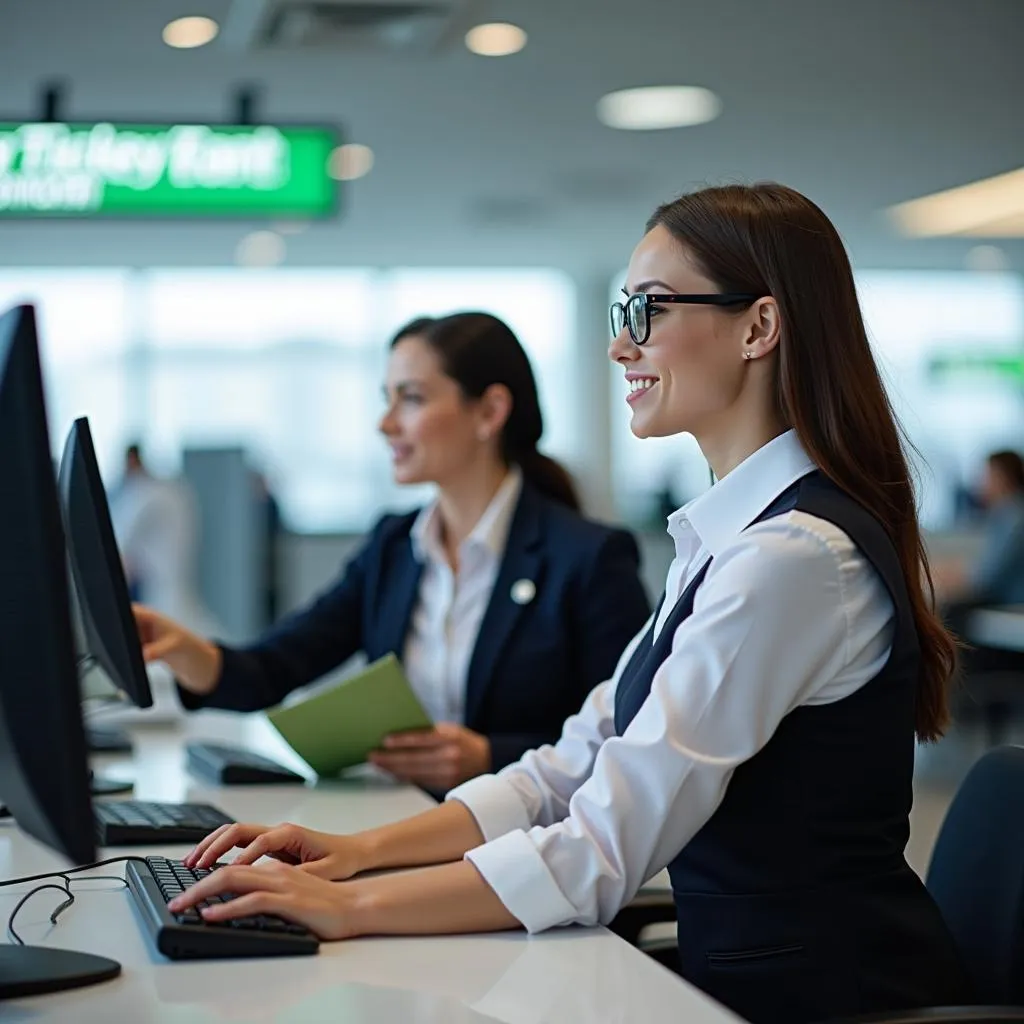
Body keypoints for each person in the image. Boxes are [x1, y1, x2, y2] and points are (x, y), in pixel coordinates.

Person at [164, 184, 971, 1024]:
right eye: (623, 311)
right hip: (740, 980)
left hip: (819, 1000)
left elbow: (603, 846)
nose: (622, 346)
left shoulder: (791, 559)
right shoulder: (732, 542)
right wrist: (355, 854)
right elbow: (573, 763)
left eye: (648, 311)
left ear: (758, 328)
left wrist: (350, 909)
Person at [135, 312, 650, 792]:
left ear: (490, 411)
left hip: (538, 837)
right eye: (388, 398)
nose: (386, 424)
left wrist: (493, 755)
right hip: (412, 820)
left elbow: (631, 734)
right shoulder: (394, 547)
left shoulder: (589, 557)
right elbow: (275, 668)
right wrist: (178, 647)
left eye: (411, 399)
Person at [936, 449, 1024, 606]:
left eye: (986, 475)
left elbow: (988, 578)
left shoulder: (1013, 517)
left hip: (1010, 606)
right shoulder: (1006, 514)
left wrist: (951, 578)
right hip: (1004, 600)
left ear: (1002, 478)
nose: (980, 483)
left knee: (947, 610)